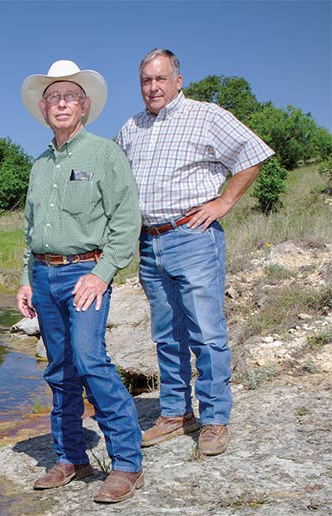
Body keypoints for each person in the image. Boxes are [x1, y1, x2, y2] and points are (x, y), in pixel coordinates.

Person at [116, 49, 274, 456]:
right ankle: (174, 413)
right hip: (150, 242)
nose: (153, 87)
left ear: (178, 80)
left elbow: (253, 153)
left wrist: (224, 202)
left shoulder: (206, 115)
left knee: (206, 333)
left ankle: (215, 418)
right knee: (167, 335)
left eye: (160, 79)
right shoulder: (131, 127)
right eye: (146, 81)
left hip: (193, 235)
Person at [18, 60, 144, 504]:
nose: (62, 103)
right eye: (54, 97)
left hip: (85, 274)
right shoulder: (38, 165)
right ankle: (71, 457)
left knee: (91, 360)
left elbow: (127, 220)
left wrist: (102, 273)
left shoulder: (104, 153)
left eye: (70, 96)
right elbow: (30, 230)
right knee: (60, 369)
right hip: (43, 276)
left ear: (84, 104)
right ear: (44, 107)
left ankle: (127, 464)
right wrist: (25, 280)